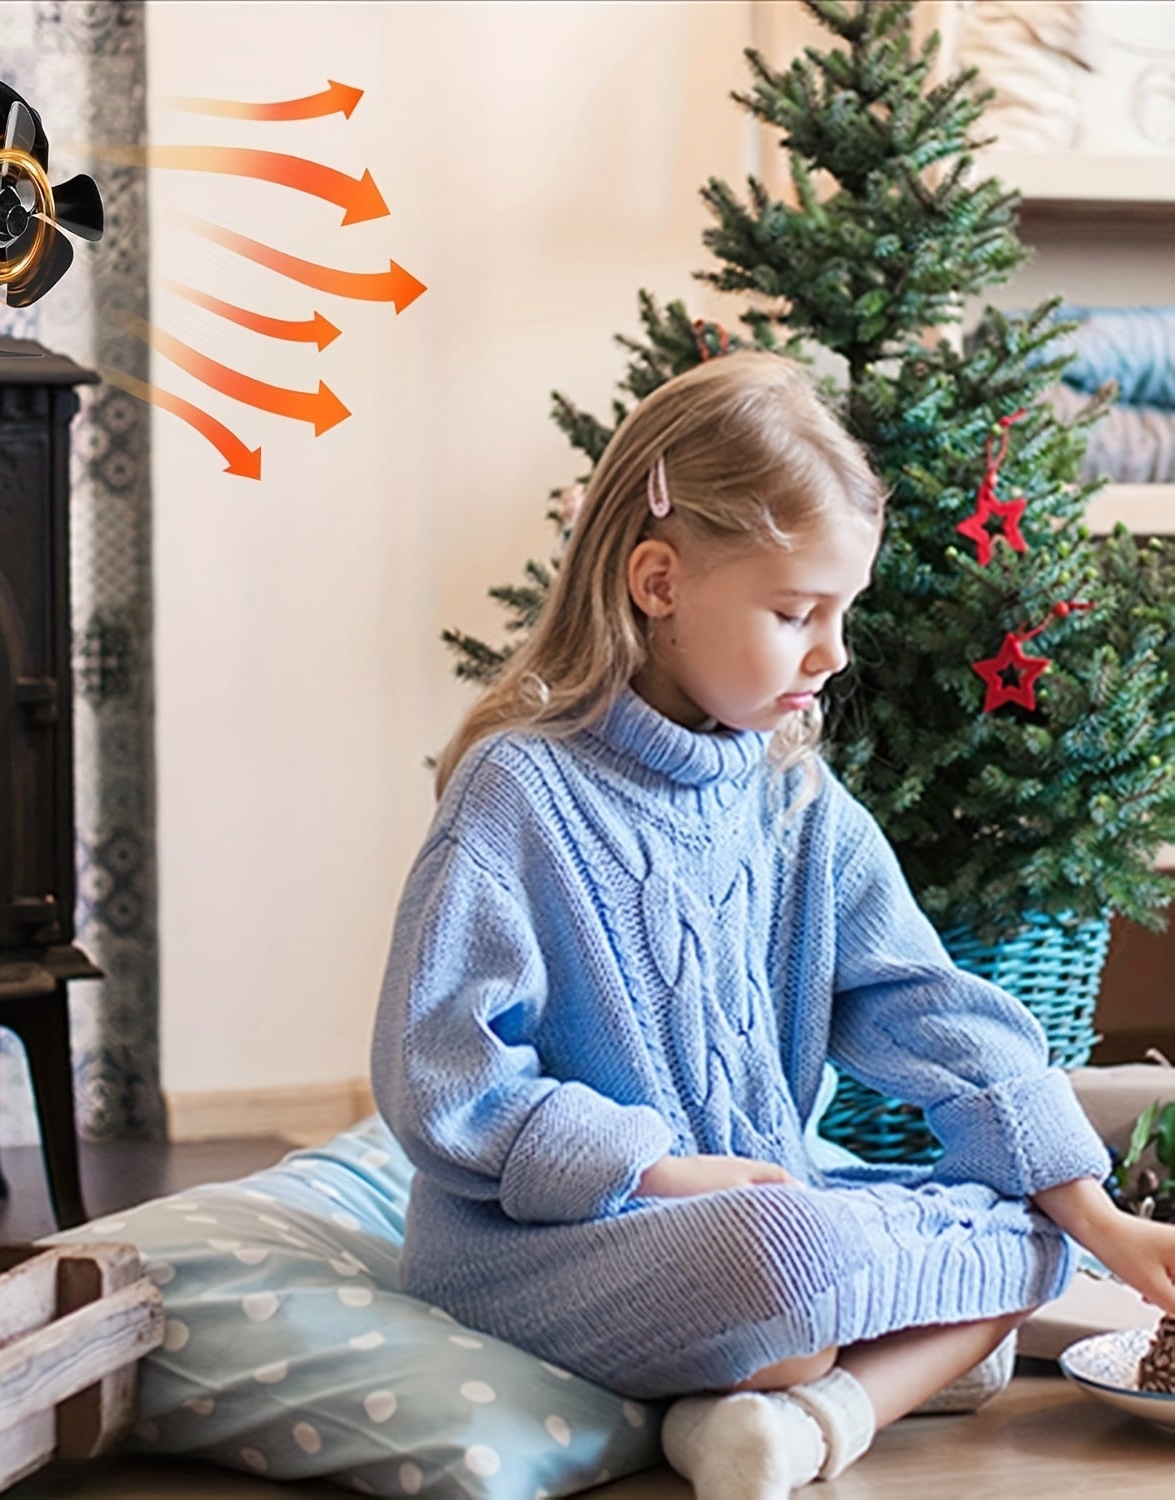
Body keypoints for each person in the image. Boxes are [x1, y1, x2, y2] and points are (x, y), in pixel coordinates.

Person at [370, 351, 1175, 1500]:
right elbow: (441, 1077)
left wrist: (1103, 1223)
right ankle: (815, 1368)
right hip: (550, 1244)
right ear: (657, 580)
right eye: (796, 610)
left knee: (1034, 1235)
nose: (832, 651)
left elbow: (935, 1012)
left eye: (842, 611)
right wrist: (663, 1172)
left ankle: (801, 1426)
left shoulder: (798, 803)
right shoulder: (518, 792)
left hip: (765, 1221)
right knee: (791, 1269)